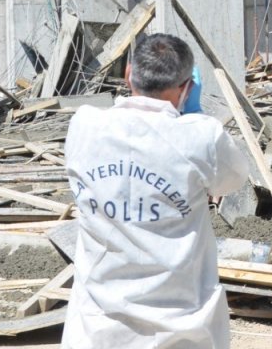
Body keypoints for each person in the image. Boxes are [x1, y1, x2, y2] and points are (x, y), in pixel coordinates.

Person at [62, 33, 250, 348]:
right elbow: (233, 179)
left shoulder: (85, 126)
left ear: (127, 74)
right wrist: (193, 114)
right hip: (180, 330)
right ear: (187, 87)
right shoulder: (201, 136)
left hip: (98, 329)